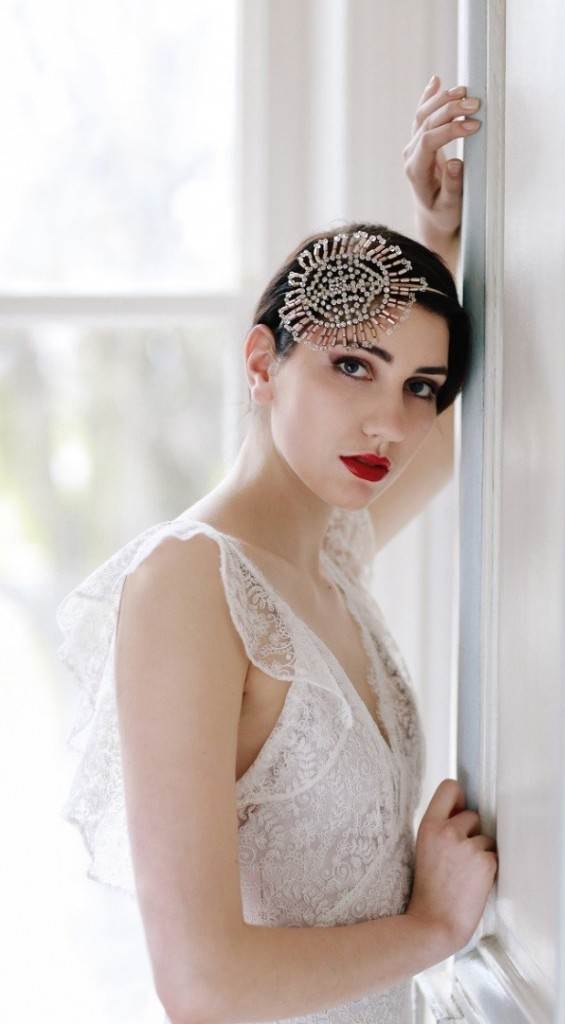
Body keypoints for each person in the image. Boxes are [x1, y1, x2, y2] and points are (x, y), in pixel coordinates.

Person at [56, 76, 496, 1024]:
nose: (391, 420)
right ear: (262, 363)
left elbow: (472, 427)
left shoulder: (331, 555)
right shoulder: (186, 583)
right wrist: (432, 929)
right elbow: (199, 986)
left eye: (420, 384)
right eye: (351, 366)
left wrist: (443, 225)